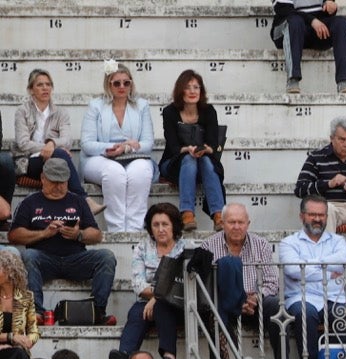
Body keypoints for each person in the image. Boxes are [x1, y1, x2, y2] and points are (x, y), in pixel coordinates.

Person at [8, 157, 115, 327]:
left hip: (76, 258)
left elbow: (97, 235)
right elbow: (13, 235)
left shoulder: (78, 201)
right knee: (29, 255)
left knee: (107, 256)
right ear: (43, 178)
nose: (58, 187)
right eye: (53, 182)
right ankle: (37, 312)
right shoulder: (30, 202)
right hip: (44, 259)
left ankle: (97, 311)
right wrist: (44, 233)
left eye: (62, 182)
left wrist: (78, 234)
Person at [275, 194, 346, 359]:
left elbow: (343, 261)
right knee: (306, 312)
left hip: (335, 297)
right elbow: (294, 271)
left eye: (322, 215)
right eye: (312, 215)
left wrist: (309, 264)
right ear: (302, 216)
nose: (317, 219)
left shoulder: (338, 241)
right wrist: (327, 269)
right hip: (301, 297)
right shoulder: (289, 243)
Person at [199, 204, 282, 359]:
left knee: (274, 305)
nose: (236, 227)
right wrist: (235, 300)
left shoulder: (261, 244)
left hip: (254, 305)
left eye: (241, 222)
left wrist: (256, 298)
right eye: (231, 222)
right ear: (222, 223)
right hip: (223, 305)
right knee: (212, 311)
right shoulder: (208, 245)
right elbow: (206, 285)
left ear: (248, 224)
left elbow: (272, 281)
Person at [80, 64, 156, 235]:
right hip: (100, 158)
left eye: (126, 83)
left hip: (133, 156)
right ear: (109, 84)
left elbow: (147, 143)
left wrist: (127, 148)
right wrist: (112, 148)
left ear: (131, 84)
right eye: (117, 83)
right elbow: (87, 143)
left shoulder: (142, 105)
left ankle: (135, 230)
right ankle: (117, 231)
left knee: (141, 171)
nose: (122, 87)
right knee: (114, 172)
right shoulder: (96, 105)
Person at [110, 212, 188, 359]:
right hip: (146, 303)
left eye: (165, 224)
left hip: (178, 305)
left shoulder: (186, 248)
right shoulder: (142, 247)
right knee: (136, 312)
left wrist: (158, 297)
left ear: (174, 226)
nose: (160, 229)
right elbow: (139, 284)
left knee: (163, 306)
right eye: (156, 225)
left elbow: (183, 284)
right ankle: (126, 356)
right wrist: (156, 298)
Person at [157, 70, 226, 231]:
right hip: (174, 163)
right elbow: (172, 145)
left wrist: (204, 149)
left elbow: (213, 144)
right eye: (188, 87)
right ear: (180, 90)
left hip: (203, 162)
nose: (193, 91)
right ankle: (187, 213)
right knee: (189, 159)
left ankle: (219, 215)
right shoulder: (170, 112)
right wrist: (187, 149)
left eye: (196, 87)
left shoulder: (209, 111)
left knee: (205, 160)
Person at [12, 69, 87, 196]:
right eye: (40, 85)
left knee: (60, 157)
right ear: (31, 90)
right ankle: (83, 198)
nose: (45, 88)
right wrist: (49, 147)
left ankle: (77, 201)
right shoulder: (22, 111)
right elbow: (23, 143)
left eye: (48, 84)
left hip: (55, 160)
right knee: (60, 154)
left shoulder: (61, 112)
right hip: (28, 162)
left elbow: (67, 140)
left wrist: (52, 144)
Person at [278, 0, 346, 94]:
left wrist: (331, 7)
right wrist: (312, 21)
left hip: (316, 29)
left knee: (342, 24)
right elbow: (285, 12)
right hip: (287, 28)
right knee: (294, 22)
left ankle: (344, 81)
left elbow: (327, 11)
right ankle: (292, 79)